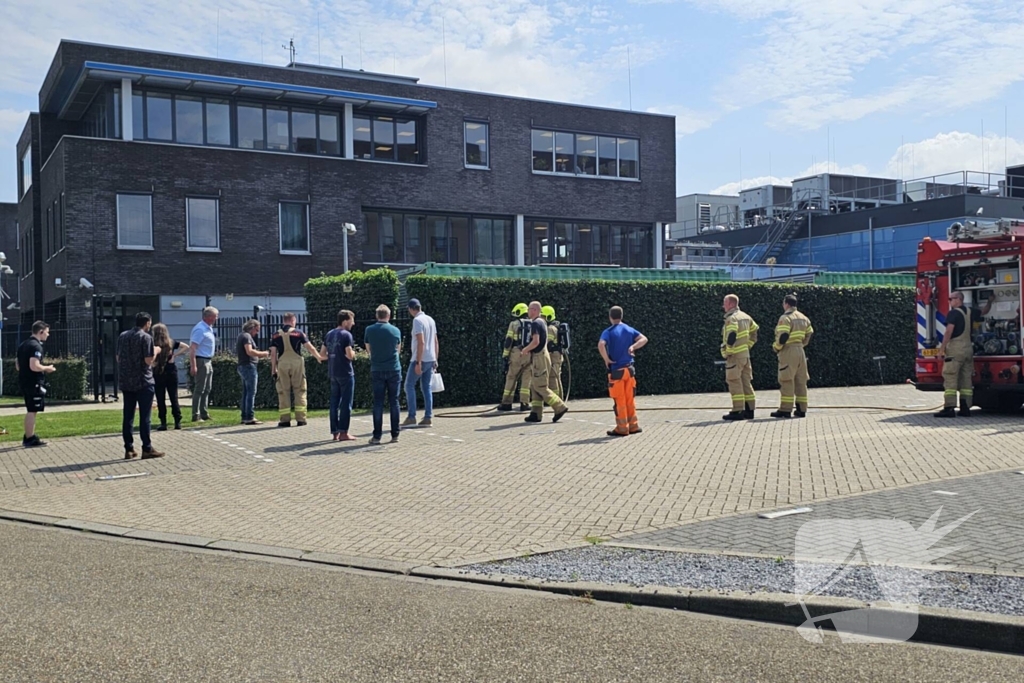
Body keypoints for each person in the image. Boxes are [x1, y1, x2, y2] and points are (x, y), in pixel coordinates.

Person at [116, 312, 165, 460]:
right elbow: (148, 360)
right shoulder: (146, 337)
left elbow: (118, 358)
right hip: (143, 381)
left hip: (126, 381)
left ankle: (129, 448)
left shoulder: (123, 336)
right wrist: (156, 350)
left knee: (128, 415)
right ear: (147, 323)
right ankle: (147, 448)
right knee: (145, 417)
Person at [598, 306, 648, 437]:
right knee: (629, 399)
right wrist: (633, 346)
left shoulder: (608, 331)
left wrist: (606, 359)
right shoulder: (629, 329)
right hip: (629, 370)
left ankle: (622, 428)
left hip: (616, 372)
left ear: (610, 317)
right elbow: (644, 339)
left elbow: (601, 344)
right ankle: (633, 426)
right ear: (621, 316)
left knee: (619, 401)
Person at [269, 313, 322, 427]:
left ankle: (285, 420)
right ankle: (301, 419)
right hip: (297, 363)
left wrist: (273, 370)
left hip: (282, 364)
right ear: (293, 320)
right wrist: (319, 357)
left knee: (283, 391)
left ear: (284, 321)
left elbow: (273, 354)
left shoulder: (275, 335)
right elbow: (310, 347)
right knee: (300, 390)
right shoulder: (298, 333)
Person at [521, 301, 569, 423]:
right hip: (542, 355)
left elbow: (536, 341)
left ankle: (559, 407)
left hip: (539, 357)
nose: (528, 311)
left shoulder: (536, 323)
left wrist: (525, 349)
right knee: (534, 385)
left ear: (535, 310)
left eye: (530, 309)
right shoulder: (542, 322)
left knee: (540, 386)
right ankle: (536, 413)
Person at [771, 293, 814, 419]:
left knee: (786, 380)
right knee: (801, 381)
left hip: (788, 350)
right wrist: (802, 344)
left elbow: (783, 335)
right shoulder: (803, 317)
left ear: (787, 304)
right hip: (800, 350)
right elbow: (809, 332)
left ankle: (785, 409)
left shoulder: (785, 318)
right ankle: (801, 409)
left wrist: (777, 347)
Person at [364, 304, 403, 445]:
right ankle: (395, 434)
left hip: (377, 368)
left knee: (378, 403)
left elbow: (368, 349)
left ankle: (377, 436)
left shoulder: (369, 330)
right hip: (393, 368)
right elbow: (398, 349)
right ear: (389, 315)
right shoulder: (395, 330)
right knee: (394, 402)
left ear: (377, 316)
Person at [16, 321, 56, 448]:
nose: (48, 335)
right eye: (47, 332)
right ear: (41, 332)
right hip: (33, 382)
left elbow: (18, 365)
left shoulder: (23, 345)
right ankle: (30, 438)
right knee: (32, 410)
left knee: (31, 409)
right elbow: (34, 366)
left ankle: (29, 435)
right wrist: (47, 368)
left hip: (24, 381)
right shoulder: (36, 346)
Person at [721, 294, 760, 421]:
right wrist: (748, 346)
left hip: (735, 356)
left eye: (725, 303)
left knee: (734, 382)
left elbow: (732, 335)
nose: (723, 306)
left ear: (731, 304)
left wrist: (729, 351)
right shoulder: (746, 317)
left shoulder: (732, 318)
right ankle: (750, 410)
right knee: (746, 382)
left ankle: (737, 410)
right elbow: (755, 331)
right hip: (745, 355)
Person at [936, 290, 974, 418]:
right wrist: (990, 301)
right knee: (966, 380)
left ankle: (949, 408)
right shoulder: (969, 312)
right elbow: (984, 312)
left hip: (955, 351)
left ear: (958, 299)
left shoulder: (953, 313)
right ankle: (965, 408)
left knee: (950, 377)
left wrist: (941, 349)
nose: (949, 301)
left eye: (950, 299)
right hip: (968, 350)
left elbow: (948, 332)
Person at [321, 309, 356, 441]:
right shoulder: (346, 335)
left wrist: (333, 354)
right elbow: (349, 355)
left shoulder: (329, 334)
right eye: (352, 321)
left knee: (334, 403)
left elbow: (322, 355)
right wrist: (353, 354)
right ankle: (344, 432)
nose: (353, 323)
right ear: (345, 321)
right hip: (345, 372)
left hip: (333, 372)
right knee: (346, 403)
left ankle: (334, 432)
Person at [403, 298, 439, 428]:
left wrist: (418, 362)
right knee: (426, 387)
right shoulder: (430, 320)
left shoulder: (417, 321)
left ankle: (411, 416)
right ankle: (428, 416)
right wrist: (436, 358)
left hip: (420, 358)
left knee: (409, 385)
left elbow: (421, 341)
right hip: (430, 358)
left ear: (412, 309)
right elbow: (435, 341)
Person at [151, 323, 189, 431]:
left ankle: (163, 422)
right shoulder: (171, 342)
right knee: (174, 397)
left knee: (160, 398)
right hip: (171, 371)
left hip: (158, 372)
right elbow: (186, 346)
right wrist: (176, 355)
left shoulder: (153, 344)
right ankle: (177, 421)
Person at [497, 303, 531, 411]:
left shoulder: (514, 324)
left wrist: (505, 354)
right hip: (529, 353)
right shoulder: (533, 323)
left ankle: (506, 403)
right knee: (526, 379)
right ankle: (524, 403)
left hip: (516, 353)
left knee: (511, 377)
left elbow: (508, 341)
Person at [236, 319, 270, 425]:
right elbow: (249, 351)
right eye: (257, 330)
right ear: (252, 328)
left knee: (246, 392)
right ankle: (249, 417)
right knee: (251, 392)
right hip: (248, 366)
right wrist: (263, 354)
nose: (257, 332)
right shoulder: (246, 336)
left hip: (243, 366)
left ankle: (245, 416)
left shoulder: (241, 336)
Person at [189, 306, 219, 423]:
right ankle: (195, 414)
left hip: (208, 360)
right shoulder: (200, 329)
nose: (217, 318)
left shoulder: (208, 328)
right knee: (199, 389)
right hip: (201, 360)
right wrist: (193, 365)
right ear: (209, 317)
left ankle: (204, 413)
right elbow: (192, 348)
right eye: (215, 316)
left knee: (207, 388)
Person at [542, 305, 564, 398]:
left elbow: (548, 344)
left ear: (548, 316)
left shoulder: (550, 328)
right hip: (557, 355)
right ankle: (559, 398)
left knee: (552, 377)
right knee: (556, 377)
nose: (541, 318)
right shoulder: (555, 327)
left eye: (543, 316)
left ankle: (555, 399)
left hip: (553, 356)